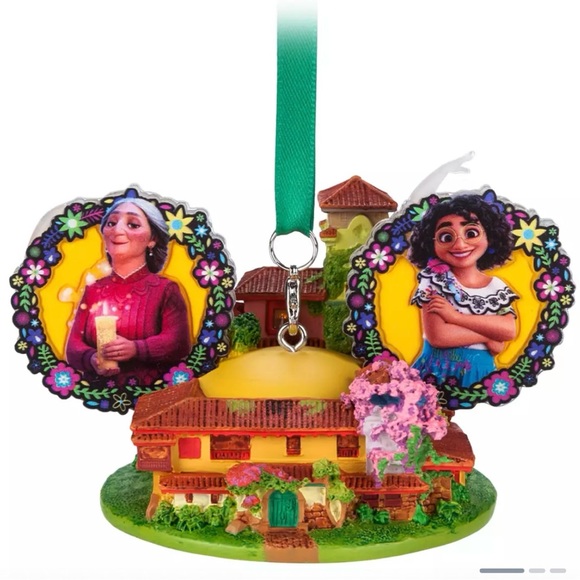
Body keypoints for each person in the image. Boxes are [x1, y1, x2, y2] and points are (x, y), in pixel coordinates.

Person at [66, 190, 192, 386]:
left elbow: (179, 342)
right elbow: (73, 346)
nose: (117, 230)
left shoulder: (165, 289)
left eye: (133, 224)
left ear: (152, 239)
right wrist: (92, 358)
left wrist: (137, 349)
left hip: (153, 394)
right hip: (99, 391)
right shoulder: (94, 290)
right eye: (111, 223)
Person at [408, 193, 518, 387]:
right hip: (437, 371)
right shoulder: (434, 280)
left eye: (471, 233)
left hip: (481, 373)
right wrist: (490, 335)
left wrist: (455, 317)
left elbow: (508, 330)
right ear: (431, 243)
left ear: (489, 235)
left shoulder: (497, 287)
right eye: (446, 237)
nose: (459, 244)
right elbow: (439, 336)